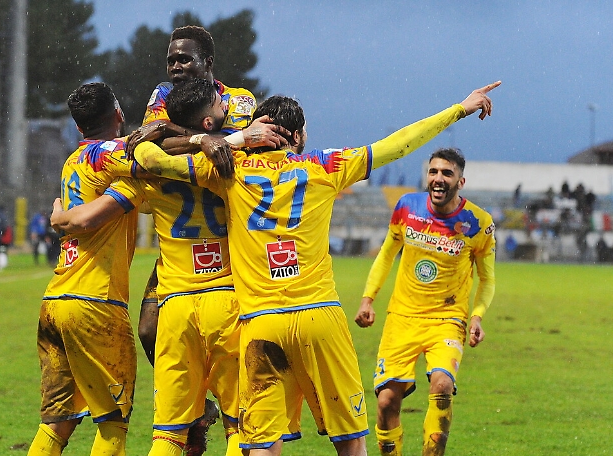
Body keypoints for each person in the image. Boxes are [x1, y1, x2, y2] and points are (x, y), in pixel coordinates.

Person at [132, 79, 500, 455]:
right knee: (351, 442)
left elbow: (148, 158)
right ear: (297, 135)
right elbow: (399, 143)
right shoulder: (326, 165)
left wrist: (181, 133)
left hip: (261, 323)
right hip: (320, 317)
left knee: (260, 445)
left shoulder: (229, 169)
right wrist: (459, 109)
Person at [50, 82, 288, 456]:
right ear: (210, 121)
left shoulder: (146, 167)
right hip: (225, 298)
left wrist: (61, 217)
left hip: (172, 304)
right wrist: (237, 138)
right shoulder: (230, 166)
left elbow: (145, 160)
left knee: (166, 433)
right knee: (238, 425)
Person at [27, 82, 150, 456]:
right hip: (96, 303)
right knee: (113, 423)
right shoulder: (116, 156)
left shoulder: (73, 160)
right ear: (118, 115)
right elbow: (154, 157)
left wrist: (60, 218)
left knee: (57, 423)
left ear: (79, 127)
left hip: (55, 300)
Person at [354, 148, 497, 456]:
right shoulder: (407, 207)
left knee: (442, 385)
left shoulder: (478, 223)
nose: (438, 179)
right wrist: (367, 299)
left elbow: (487, 279)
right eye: (433, 172)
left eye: (447, 173)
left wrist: (477, 316)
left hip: (447, 319)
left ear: (460, 182)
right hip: (402, 317)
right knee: (386, 402)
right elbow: (386, 254)